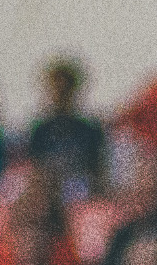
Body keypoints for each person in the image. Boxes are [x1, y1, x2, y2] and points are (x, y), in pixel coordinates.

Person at [24, 58, 106, 203]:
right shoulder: (40, 129)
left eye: (65, 89)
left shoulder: (90, 129)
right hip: (47, 192)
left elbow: (98, 170)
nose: (60, 94)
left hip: (81, 193)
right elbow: (33, 167)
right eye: (56, 88)